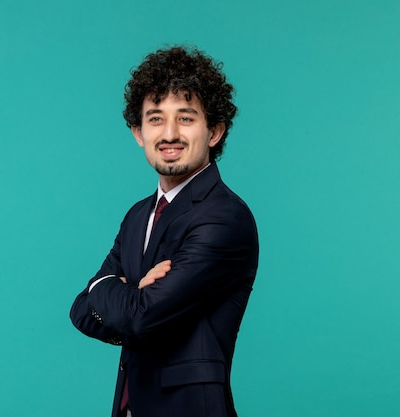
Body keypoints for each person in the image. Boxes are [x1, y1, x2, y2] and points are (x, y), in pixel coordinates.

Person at [70, 46, 259, 417]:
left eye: (186, 118)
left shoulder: (224, 217)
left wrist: (105, 288)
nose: (169, 134)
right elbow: (79, 311)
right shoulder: (138, 215)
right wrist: (129, 295)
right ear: (138, 132)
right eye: (156, 119)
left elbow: (141, 316)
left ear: (215, 131)